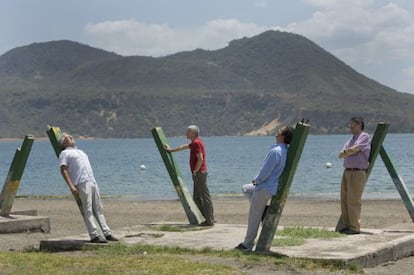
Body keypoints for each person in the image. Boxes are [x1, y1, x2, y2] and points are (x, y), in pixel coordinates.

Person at [235, 125, 294, 252]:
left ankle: (247, 244)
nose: (276, 133)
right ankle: (263, 211)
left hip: (264, 187)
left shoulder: (276, 151)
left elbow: (266, 171)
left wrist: (257, 180)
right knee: (246, 188)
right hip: (271, 187)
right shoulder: (284, 150)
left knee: (253, 217)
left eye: (278, 132)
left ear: (282, 136)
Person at [59, 133, 118, 243]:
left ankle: (107, 233)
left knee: (99, 208)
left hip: (92, 181)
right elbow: (63, 170)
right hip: (81, 182)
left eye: (70, 136)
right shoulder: (64, 153)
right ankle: (94, 235)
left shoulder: (80, 151)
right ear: (64, 142)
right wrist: (71, 186)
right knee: (88, 208)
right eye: (66, 137)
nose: (70, 137)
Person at [165, 125, 215, 226]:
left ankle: (209, 220)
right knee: (196, 198)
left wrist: (196, 170)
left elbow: (200, 158)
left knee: (205, 197)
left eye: (188, 132)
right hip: (198, 173)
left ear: (193, 133)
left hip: (199, 173)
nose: (186, 133)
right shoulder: (195, 143)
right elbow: (183, 147)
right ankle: (209, 218)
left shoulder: (196, 143)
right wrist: (170, 150)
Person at [338, 117, 371, 235]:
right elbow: (340, 154)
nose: (351, 126)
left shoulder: (364, 136)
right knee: (344, 199)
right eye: (350, 124)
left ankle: (355, 227)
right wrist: (348, 151)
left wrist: (347, 152)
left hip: (357, 172)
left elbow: (356, 149)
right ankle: (347, 226)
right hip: (347, 172)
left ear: (360, 125)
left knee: (353, 200)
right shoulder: (349, 140)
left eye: (354, 124)